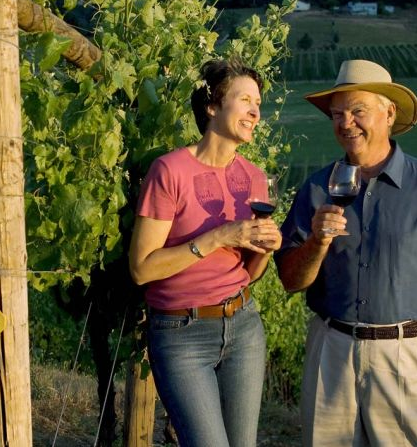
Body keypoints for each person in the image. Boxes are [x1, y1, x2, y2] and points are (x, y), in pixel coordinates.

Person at [129, 57, 282, 447]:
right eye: (245, 99)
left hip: (243, 325)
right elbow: (142, 269)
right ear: (212, 106)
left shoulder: (254, 177)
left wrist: (265, 248)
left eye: (258, 103)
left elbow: (250, 272)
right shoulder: (170, 172)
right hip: (181, 335)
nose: (255, 111)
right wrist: (218, 237)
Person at [274, 59, 417, 447]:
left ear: (389, 113)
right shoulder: (317, 188)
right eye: (337, 114)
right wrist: (316, 243)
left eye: (357, 111)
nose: (345, 123)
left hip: (405, 355)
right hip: (332, 350)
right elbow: (290, 280)